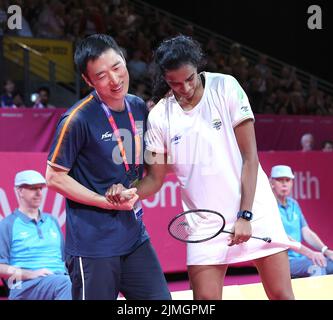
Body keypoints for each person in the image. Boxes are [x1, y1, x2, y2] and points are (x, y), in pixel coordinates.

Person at [107, 35, 295, 300]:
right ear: (165, 78)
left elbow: (250, 157)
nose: (184, 87)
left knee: (281, 295)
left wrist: (246, 215)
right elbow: (154, 179)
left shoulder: (225, 87)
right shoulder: (160, 115)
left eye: (190, 79)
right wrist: (129, 191)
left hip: (254, 209)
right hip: (204, 223)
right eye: (175, 83)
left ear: (198, 67)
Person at [45, 34, 171, 300]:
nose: (114, 80)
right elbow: (54, 177)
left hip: (135, 238)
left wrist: (133, 193)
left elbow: (155, 172)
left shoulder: (138, 107)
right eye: (101, 75)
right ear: (88, 81)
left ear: (124, 60)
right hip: (93, 248)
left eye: (117, 67)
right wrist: (104, 201)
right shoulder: (77, 119)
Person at [0, 170, 72, 300]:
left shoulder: (52, 221)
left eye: (40, 188)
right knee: (65, 284)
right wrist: (31, 274)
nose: (39, 193)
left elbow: (65, 259)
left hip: (59, 280)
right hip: (25, 286)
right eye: (33, 188)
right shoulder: (7, 225)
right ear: (19, 191)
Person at [270, 165, 333, 278]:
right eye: (280, 180)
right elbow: (283, 237)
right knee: (317, 267)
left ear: (292, 183)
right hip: (282, 261)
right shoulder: (267, 206)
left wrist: (326, 250)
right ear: (271, 183)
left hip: (301, 258)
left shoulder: (294, 204)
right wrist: (311, 253)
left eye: (287, 180)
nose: (284, 183)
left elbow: (306, 232)